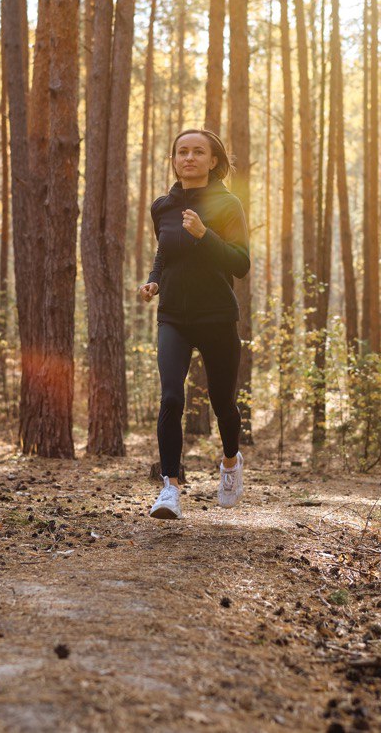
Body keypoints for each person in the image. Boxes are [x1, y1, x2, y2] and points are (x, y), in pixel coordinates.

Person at [138, 128, 251, 519]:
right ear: (174, 160)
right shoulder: (162, 206)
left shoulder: (228, 204)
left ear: (213, 160)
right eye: (182, 152)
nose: (189, 158)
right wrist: (154, 280)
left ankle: (231, 463)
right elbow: (164, 251)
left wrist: (205, 235)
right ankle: (170, 488)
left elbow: (240, 263)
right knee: (171, 396)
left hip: (218, 315)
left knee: (223, 403)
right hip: (174, 317)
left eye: (198, 152)